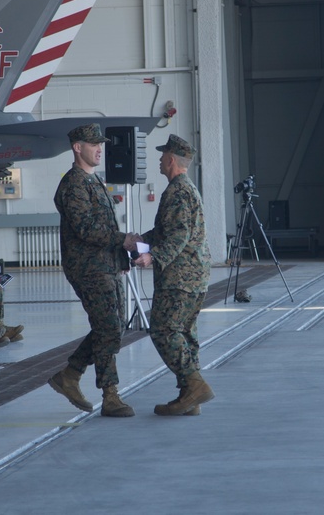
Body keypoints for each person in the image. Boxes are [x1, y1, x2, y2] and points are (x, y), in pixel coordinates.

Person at [47, 123, 136, 418]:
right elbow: (86, 228)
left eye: (101, 144)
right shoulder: (73, 184)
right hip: (87, 267)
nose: (100, 149)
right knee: (110, 326)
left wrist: (119, 260)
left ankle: (70, 375)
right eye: (93, 144)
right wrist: (123, 240)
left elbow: (104, 226)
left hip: (106, 265)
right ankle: (110, 395)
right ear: (77, 147)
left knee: (113, 325)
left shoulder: (94, 180)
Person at [132, 134, 214, 416]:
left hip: (180, 277)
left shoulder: (178, 191)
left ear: (170, 159)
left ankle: (194, 387)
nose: (158, 160)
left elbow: (180, 235)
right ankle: (189, 397)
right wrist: (140, 240)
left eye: (161, 155)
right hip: (193, 275)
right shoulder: (183, 188)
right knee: (184, 334)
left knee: (164, 330)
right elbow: (168, 231)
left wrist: (153, 256)